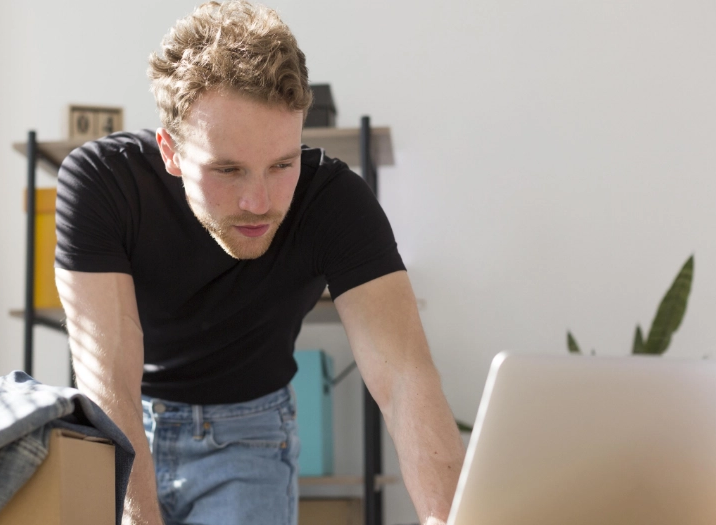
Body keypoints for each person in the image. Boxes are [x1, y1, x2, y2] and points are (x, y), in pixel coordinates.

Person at [54, 1, 465, 524]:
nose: (259, 201)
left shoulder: (335, 203)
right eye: (228, 169)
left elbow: (407, 379)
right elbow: (106, 379)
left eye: (281, 164)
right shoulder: (100, 184)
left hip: (253, 435)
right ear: (171, 152)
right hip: (128, 423)